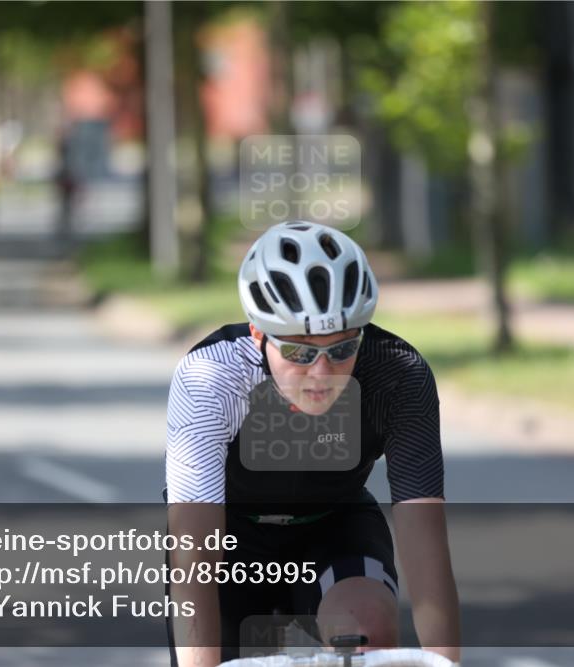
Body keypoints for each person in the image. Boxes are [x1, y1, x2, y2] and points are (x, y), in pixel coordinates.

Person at [164, 221, 461, 666]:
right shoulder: (212, 377)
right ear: (258, 333)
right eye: (300, 352)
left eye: (342, 349)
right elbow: (195, 552)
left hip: (334, 524)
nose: (322, 374)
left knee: (369, 627)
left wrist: (446, 663)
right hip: (230, 542)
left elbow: (424, 542)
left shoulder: (398, 374)